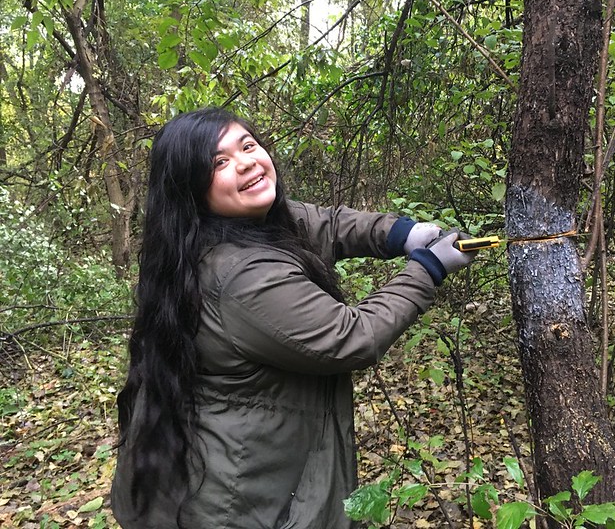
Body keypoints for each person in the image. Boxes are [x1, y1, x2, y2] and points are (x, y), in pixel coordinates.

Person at [111, 107, 477, 529]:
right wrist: (428, 268)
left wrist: (402, 234)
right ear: (192, 190)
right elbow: (351, 336)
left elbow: (326, 223)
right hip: (236, 501)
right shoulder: (240, 278)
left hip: (204, 471)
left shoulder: (232, 227)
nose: (245, 161)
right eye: (219, 162)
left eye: (247, 146)